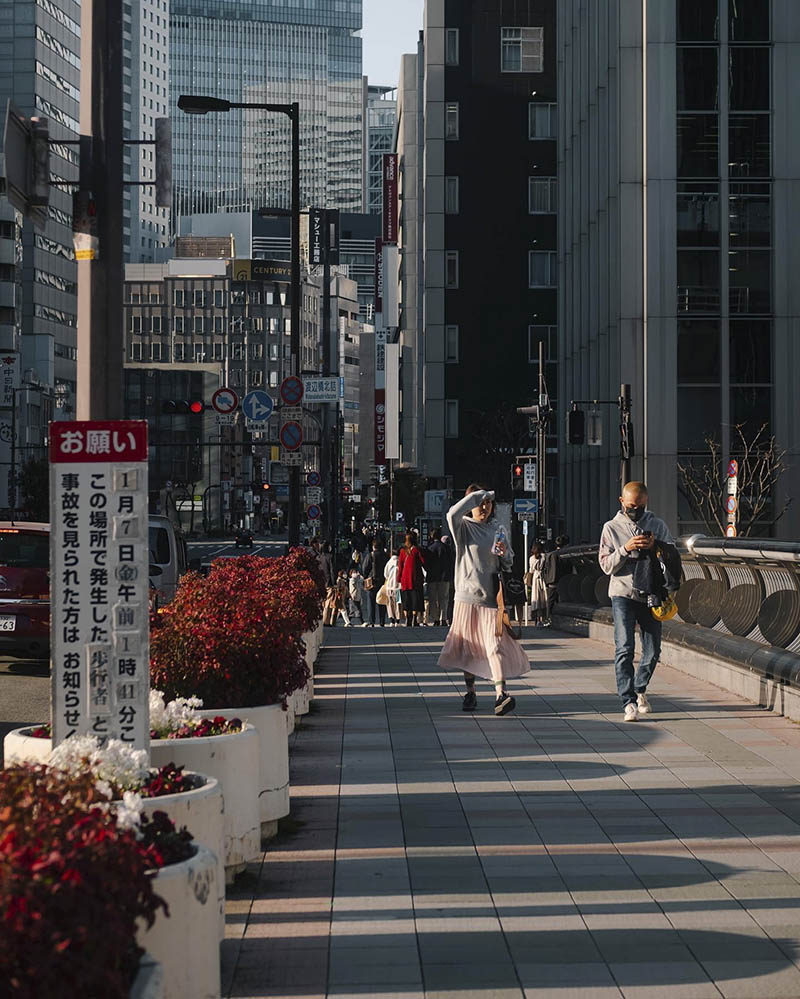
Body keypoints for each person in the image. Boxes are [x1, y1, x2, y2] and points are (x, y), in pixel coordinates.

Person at [438, 484, 530, 716]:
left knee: (494, 646)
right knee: (469, 648)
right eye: (479, 503)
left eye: (488, 503)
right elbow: (451, 513)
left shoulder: (497, 529)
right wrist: (478, 496)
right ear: (469, 505)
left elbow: (508, 561)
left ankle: (501, 694)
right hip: (467, 598)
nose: (484, 507)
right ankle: (471, 692)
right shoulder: (463, 527)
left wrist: (504, 553)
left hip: (492, 599)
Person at [599, 481, 673, 722]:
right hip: (622, 592)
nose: (635, 511)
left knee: (653, 651)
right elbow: (606, 565)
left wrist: (656, 546)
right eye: (631, 506)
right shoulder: (611, 528)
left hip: (650, 593)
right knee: (625, 647)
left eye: (640, 506)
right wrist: (625, 548)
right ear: (622, 502)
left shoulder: (657, 525)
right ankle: (628, 701)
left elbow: (672, 556)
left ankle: (640, 688)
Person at [424, 528, 452, 627]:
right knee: (444, 599)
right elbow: (451, 562)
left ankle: (435, 619)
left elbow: (425, 563)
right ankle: (443, 618)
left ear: (432, 536)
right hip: (444, 577)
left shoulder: (429, 548)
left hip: (432, 577)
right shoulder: (446, 548)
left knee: (432, 599)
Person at [397, 531, 425, 626]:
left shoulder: (402, 551)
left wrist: (399, 578)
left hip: (405, 579)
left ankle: (407, 618)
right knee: (415, 599)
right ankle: (414, 619)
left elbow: (400, 566)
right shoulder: (417, 550)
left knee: (406, 599)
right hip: (415, 578)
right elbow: (423, 562)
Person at [361, 539, 388, 627]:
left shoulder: (370, 555)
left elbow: (365, 568)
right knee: (382, 601)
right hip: (383, 581)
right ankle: (382, 621)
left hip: (372, 582)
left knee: (371, 602)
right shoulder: (386, 556)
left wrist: (366, 576)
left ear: (373, 546)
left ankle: (372, 621)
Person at [543, 534, 569, 624]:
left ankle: (548, 618)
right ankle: (558, 619)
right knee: (561, 600)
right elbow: (567, 568)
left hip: (551, 581)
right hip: (561, 580)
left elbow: (545, 569)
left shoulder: (550, 555)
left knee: (550, 601)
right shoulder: (564, 555)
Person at [527, 543, 549, 626]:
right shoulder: (545, 556)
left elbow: (531, 570)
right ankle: (544, 618)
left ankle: (537, 619)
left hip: (535, 578)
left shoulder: (532, 558)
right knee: (544, 598)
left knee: (536, 598)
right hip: (543, 578)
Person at [384, 548, 401, 626]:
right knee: (398, 603)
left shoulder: (389, 562)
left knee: (390, 603)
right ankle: (398, 620)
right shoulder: (400, 562)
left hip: (389, 586)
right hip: (398, 587)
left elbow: (385, 575)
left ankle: (391, 620)